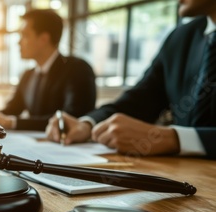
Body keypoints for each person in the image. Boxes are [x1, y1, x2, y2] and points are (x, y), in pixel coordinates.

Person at [46, 0, 216, 159]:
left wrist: (175, 139)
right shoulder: (182, 37)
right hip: (188, 176)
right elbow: (139, 101)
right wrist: (87, 124)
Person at [0, 9, 96, 131]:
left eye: (24, 35)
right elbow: (11, 110)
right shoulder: (28, 75)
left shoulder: (77, 69)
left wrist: (13, 122)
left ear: (43, 39)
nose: (18, 42)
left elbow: (72, 117)